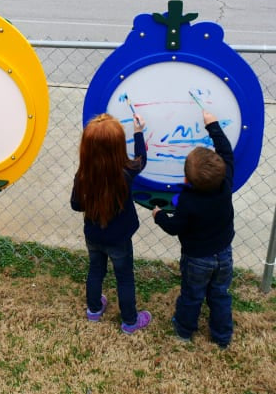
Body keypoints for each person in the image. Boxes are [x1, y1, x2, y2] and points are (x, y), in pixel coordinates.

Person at [153, 110, 234, 348]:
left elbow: (174, 227)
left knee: (192, 295)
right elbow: (226, 152)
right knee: (220, 295)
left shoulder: (188, 202)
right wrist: (214, 126)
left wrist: (159, 216)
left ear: (186, 180)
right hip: (224, 254)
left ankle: (184, 330)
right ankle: (222, 337)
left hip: (197, 258)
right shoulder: (226, 184)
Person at [70, 112, 151, 334]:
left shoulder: (83, 175)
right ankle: (130, 321)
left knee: (96, 270)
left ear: (86, 148)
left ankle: (94, 310)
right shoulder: (126, 172)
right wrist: (138, 132)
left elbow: (76, 205)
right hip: (119, 239)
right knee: (124, 277)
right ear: (118, 148)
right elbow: (141, 159)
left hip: (93, 236)